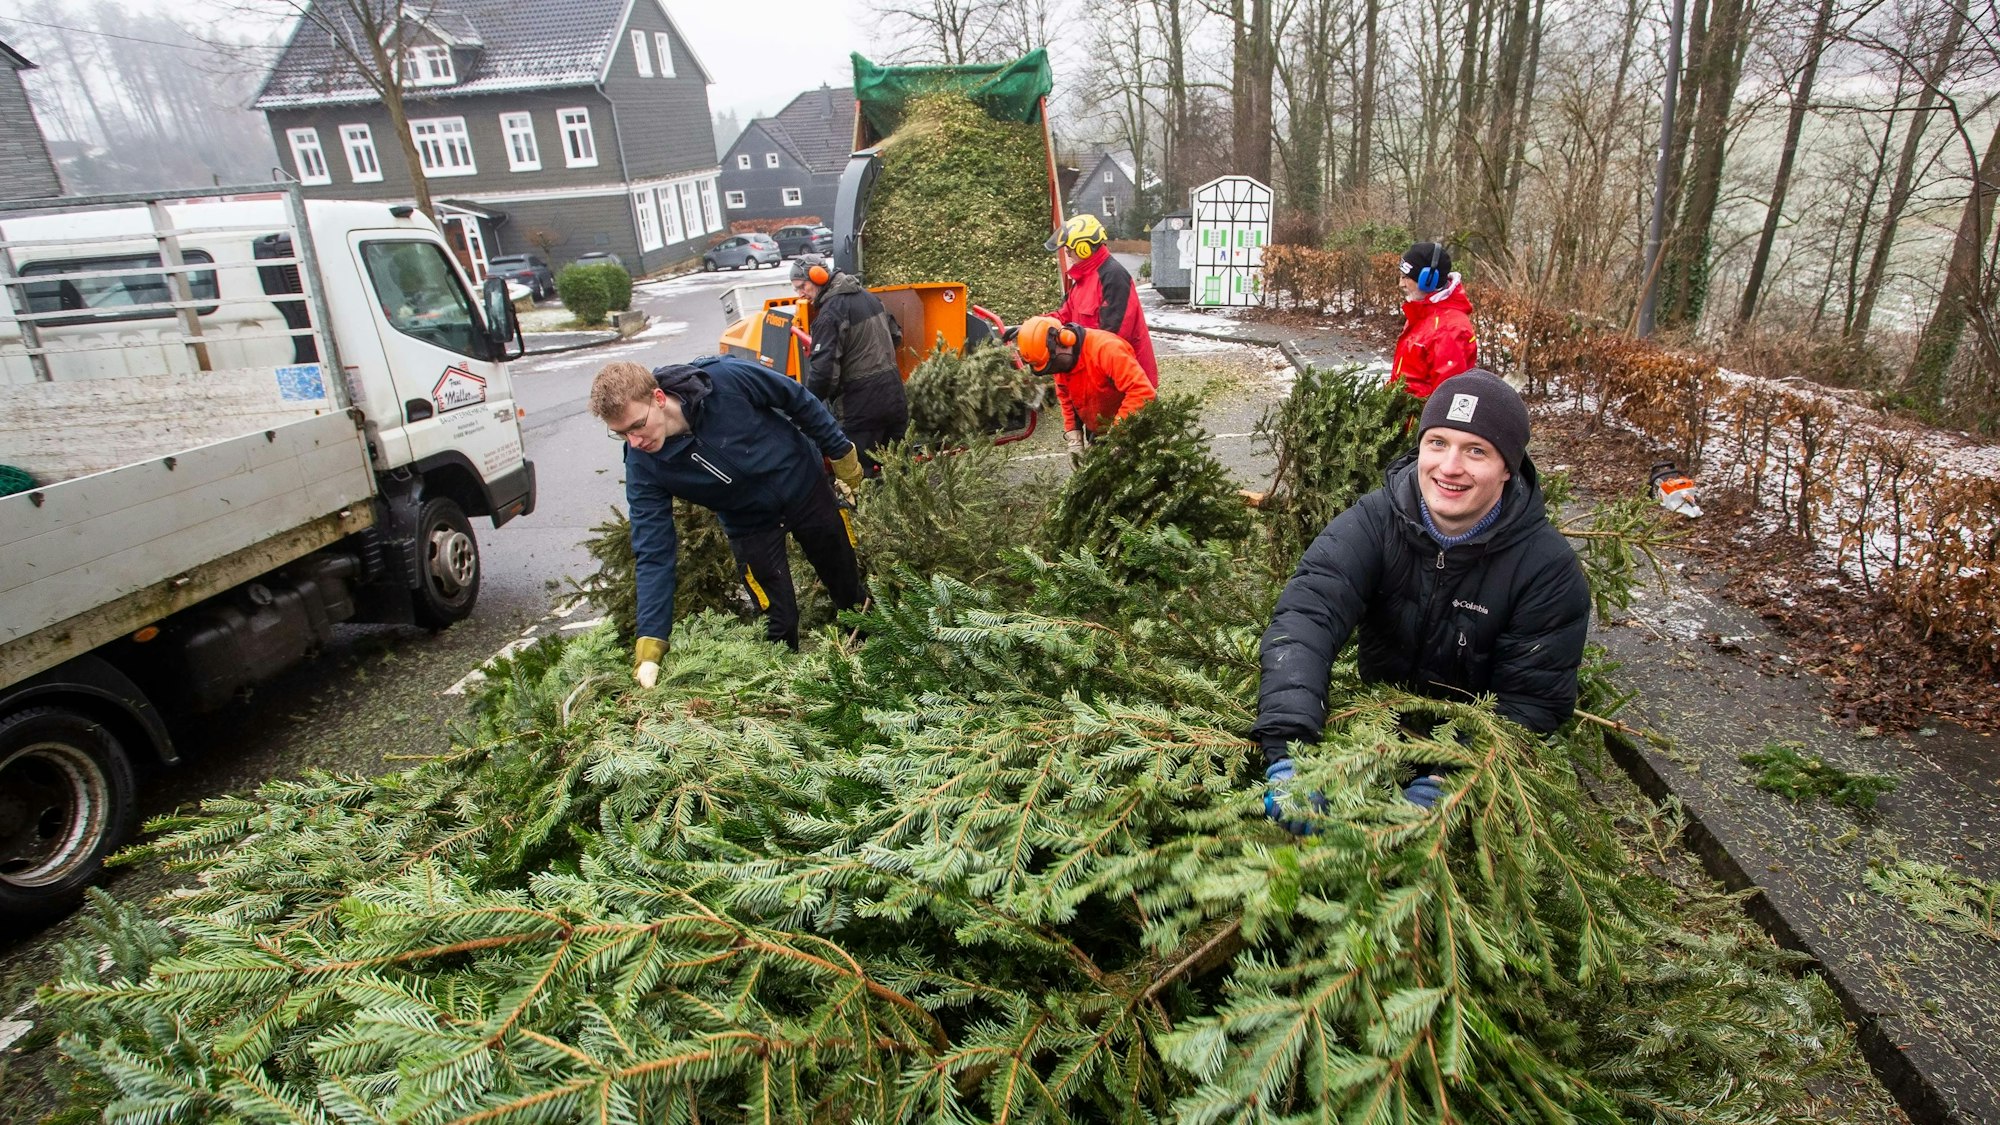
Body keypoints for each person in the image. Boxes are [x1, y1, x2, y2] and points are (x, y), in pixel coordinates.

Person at [1253, 369, 1589, 818]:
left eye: (1476, 451)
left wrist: (1452, 781)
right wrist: (1289, 748)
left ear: (1507, 467)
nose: (1450, 467)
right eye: (1437, 443)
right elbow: (1306, 618)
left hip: (1467, 746)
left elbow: (1530, 702)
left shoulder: (1547, 569)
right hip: (1378, 724)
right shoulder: (1373, 522)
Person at [591, 356, 870, 683]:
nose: (635, 441)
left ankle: (870, 653)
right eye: (621, 434)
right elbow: (654, 552)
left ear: (658, 398)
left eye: (638, 425)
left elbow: (794, 397)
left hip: (803, 486)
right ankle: (784, 694)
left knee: (846, 587)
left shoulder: (724, 380)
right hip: (749, 524)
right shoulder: (643, 465)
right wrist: (651, 647)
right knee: (778, 622)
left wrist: (840, 453)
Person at [791, 255, 908, 475]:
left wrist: (804, 407)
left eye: (802, 286)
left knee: (860, 476)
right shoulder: (870, 298)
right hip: (895, 398)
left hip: (860, 409)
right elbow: (896, 336)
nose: (800, 294)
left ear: (818, 276)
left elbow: (824, 375)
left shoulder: (830, 314)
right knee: (900, 471)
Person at [1012, 314, 1157, 465]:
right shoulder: (1059, 361)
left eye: (1053, 365)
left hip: (1133, 424)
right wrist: (1073, 434)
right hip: (1099, 428)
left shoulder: (1107, 349)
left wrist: (1117, 435)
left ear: (1064, 340)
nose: (1056, 371)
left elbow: (1142, 392)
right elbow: (1065, 395)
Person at [1046, 213, 1158, 385]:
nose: (1067, 254)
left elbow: (1113, 336)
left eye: (1069, 249)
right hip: (1097, 371)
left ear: (1084, 248)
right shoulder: (1083, 279)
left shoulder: (1113, 277)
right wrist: (1036, 325)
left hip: (1120, 377)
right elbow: (1064, 316)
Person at [1390, 241, 1478, 400]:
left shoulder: (1448, 330)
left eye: (1406, 277)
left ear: (1427, 280)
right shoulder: (1423, 312)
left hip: (1421, 421)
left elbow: (1448, 399)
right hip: (1405, 417)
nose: (1401, 284)